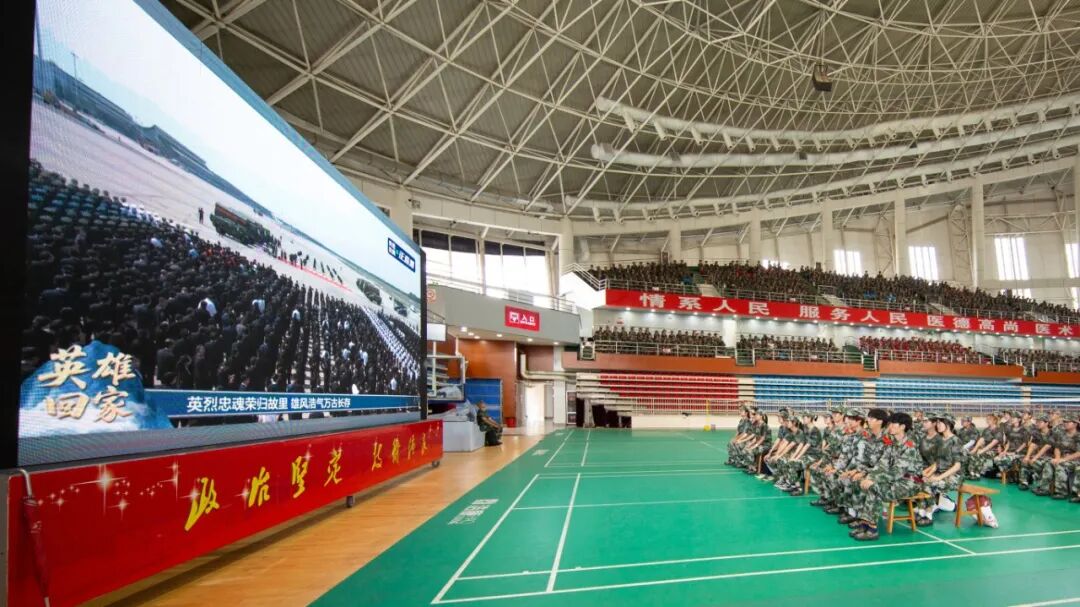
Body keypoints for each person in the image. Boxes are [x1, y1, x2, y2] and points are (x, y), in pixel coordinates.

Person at [848, 412, 924, 541]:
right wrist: (870, 477)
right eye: (890, 424)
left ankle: (872, 529)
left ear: (902, 427)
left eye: (894, 424)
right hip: (894, 480)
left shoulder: (909, 446)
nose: (890, 426)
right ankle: (865, 523)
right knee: (863, 483)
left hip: (909, 483)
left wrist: (874, 480)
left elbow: (897, 472)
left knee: (874, 488)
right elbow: (881, 465)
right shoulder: (892, 444)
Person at [1032, 414, 1079, 500]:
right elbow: (1057, 448)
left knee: (1060, 465)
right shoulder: (1062, 434)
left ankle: (1061, 492)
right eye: (1064, 422)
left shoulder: (1078, 436)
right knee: (1049, 463)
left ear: (1075, 424)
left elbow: (1078, 453)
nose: (1065, 423)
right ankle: (1044, 488)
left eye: (1068, 422)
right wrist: (1058, 458)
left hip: (1075, 460)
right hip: (1063, 459)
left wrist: (1063, 459)